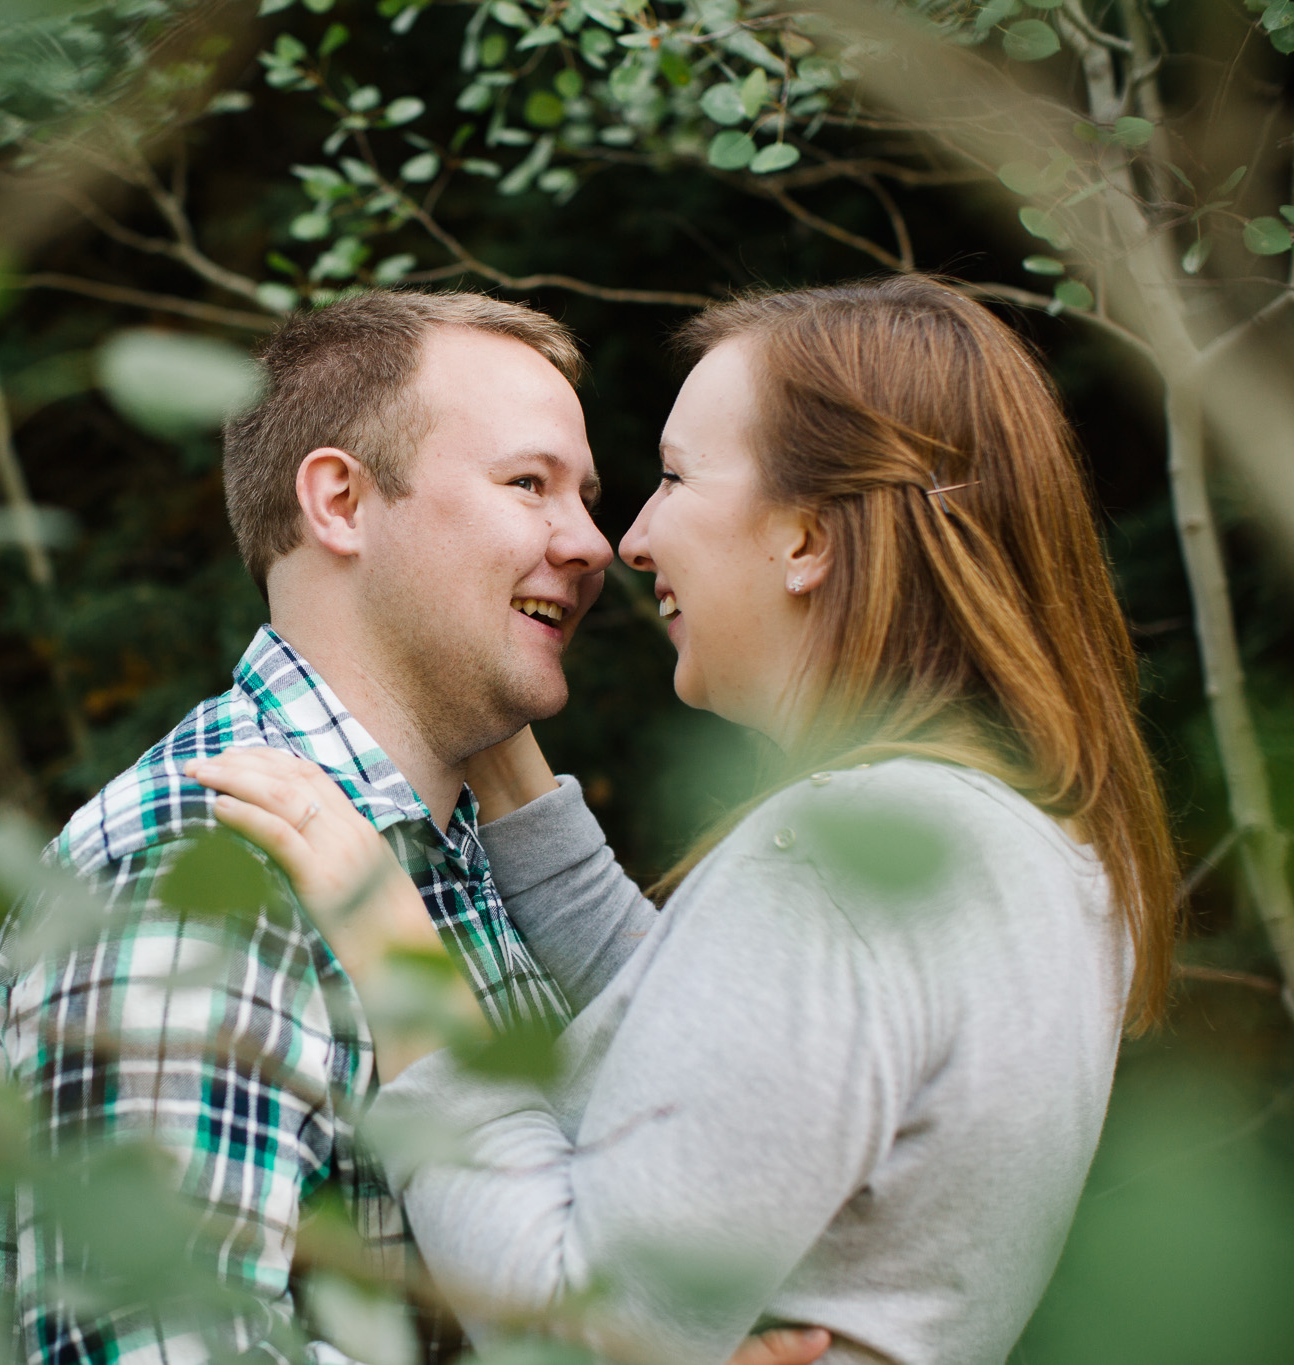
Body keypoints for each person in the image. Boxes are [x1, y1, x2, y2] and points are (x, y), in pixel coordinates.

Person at [189, 276, 1179, 1365]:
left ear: (804, 537)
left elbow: (583, 1329)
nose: (628, 539)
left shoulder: (837, 866)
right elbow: (719, 1059)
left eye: (668, 479)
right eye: (530, 483)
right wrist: (497, 739)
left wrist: (393, 948)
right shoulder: (1022, 849)